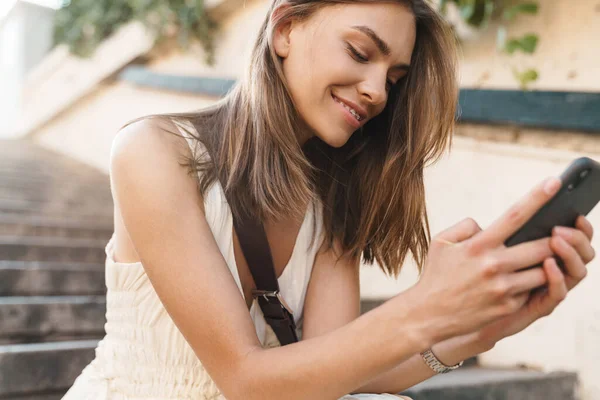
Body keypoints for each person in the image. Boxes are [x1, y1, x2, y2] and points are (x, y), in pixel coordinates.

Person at [62, 0, 595, 399]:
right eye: (360, 53)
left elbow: (338, 369)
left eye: (393, 77)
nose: (377, 91)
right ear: (286, 29)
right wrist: (425, 304)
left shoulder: (330, 202)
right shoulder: (154, 152)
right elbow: (245, 379)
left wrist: (483, 329)